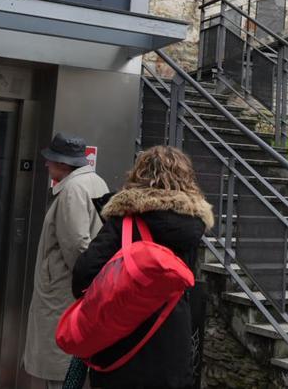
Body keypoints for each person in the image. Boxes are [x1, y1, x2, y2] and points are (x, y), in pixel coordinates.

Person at [72, 146, 213, 389]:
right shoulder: (191, 228)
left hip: (121, 346)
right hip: (173, 346)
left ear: (139, 174)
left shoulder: (124, 222)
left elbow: (82, 277)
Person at [24, 133, 110, 388]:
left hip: (64, 289)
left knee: (61, 365)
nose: (46, 164)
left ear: (63, 163)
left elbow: (75, 245)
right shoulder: (97, 182)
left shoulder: (73, 189)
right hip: (81, 290)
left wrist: (85, 283)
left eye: (50, 160)